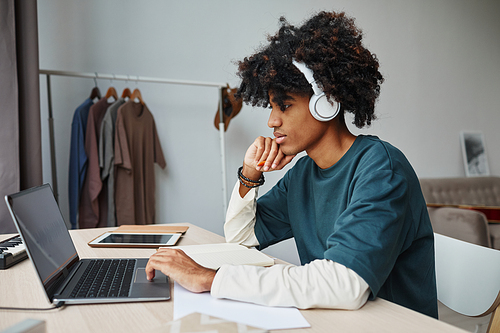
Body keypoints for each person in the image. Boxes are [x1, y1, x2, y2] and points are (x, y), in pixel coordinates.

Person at [145, 10, 438, 318]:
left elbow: (346, 283)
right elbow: (242, 238)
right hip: (338, 320)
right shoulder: (304, 173)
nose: (272, 121)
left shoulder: (381, 169)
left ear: (326, 102)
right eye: (271, 107)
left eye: (284, 106)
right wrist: (250, 173)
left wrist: (211, 278)